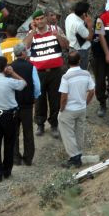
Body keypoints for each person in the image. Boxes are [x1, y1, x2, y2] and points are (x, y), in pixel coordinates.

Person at [23, 9, 68, 137]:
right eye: (37, 19)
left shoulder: (56, 29)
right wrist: (32, 31)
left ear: (45, 19)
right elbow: (25, 46)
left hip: (55, 72)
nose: (40, 21)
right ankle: (40, 124)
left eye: (42, 18)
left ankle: (54, 125)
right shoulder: (31, 33)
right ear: (34, 21)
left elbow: (65, 45)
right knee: (39, 99)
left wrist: (57, 36)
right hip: (38, 72)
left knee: (55, 99)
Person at [0, 56, 27, 181]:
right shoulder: (9, 81)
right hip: (8, 115)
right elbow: (24, 83)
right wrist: (12, 73)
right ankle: (7, 171)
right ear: (5, 68)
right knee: (9, 144)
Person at [58, 51, 95, 168]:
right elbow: (92, 91)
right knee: (80, 131)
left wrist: (61, 109)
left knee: (68, 133)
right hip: (81, 108)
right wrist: (86, 103)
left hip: (69, 109)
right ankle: (79, 153)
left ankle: (74, 158)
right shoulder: (86, 74)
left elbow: (64, 96)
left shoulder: (66, 77)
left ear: (67, 62)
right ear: (79, 61)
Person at [10, 44, 40, 166]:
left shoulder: (9, 68)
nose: (27, 52)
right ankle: (28, 158)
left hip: (12, 105)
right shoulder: (31, 67)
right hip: (27, 104)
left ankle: (16, 158)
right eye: (25, 51)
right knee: (28, 132)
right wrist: (35, 97)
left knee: (14, 133)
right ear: (22, 53)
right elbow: (37, 86)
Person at [65, 1, 94, 70]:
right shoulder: (79, 25)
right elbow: (89, 38)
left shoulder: (70, 16)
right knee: (81, 71)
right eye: (88, 11)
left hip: (71, 48)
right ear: (84, 14)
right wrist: (90, 25)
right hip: (81, 51)